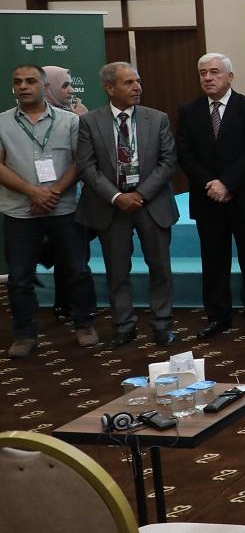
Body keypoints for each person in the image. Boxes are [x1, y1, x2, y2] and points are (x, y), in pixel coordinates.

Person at [74, 62, 179, 347]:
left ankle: (162, 323)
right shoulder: (90, 122)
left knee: (160, 268)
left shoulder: (157, 118)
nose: (137, 87)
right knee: (117, 271)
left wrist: (141, 194)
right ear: (110, 88)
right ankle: (123, 324)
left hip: (151, 203)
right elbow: (87, 167)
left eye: (138, 81)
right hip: (111, 207)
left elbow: (168, 161)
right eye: (129, 83)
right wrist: (117, 196)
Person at [1, 64, 96, 356]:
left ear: (44, 87)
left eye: (30, 81)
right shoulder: (2, 122)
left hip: (64, 209)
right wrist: (32, 192)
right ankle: (24, 335)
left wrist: (52, 193)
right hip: (20, 212)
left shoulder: (69, 121)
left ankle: (84, 324)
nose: (23, 86)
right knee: (20, 277)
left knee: (77, 270)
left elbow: (81, 162)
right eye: (18, 82)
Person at [176, 53, 245, 338]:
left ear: (230, 76)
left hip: (244, 196)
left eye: (214, 72)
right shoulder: (189, 111)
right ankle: (217, 316)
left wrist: (227, 183)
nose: (208, 77)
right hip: (207, 199)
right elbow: (185, 154)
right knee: (214, 261)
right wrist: (211, 184)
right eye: (203, 73)